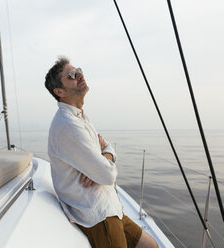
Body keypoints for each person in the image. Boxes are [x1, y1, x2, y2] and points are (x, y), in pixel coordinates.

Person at [44, 57, 158, 248]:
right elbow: (106, 174)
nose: (79, 75)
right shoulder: (68, 125)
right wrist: (102, 163)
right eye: (71, 75)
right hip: (97, 214)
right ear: (59, 91)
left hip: (111, 207)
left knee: (150, 246)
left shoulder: (81, 116)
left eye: (78, 70)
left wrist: (107, 156)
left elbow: (106, 146)